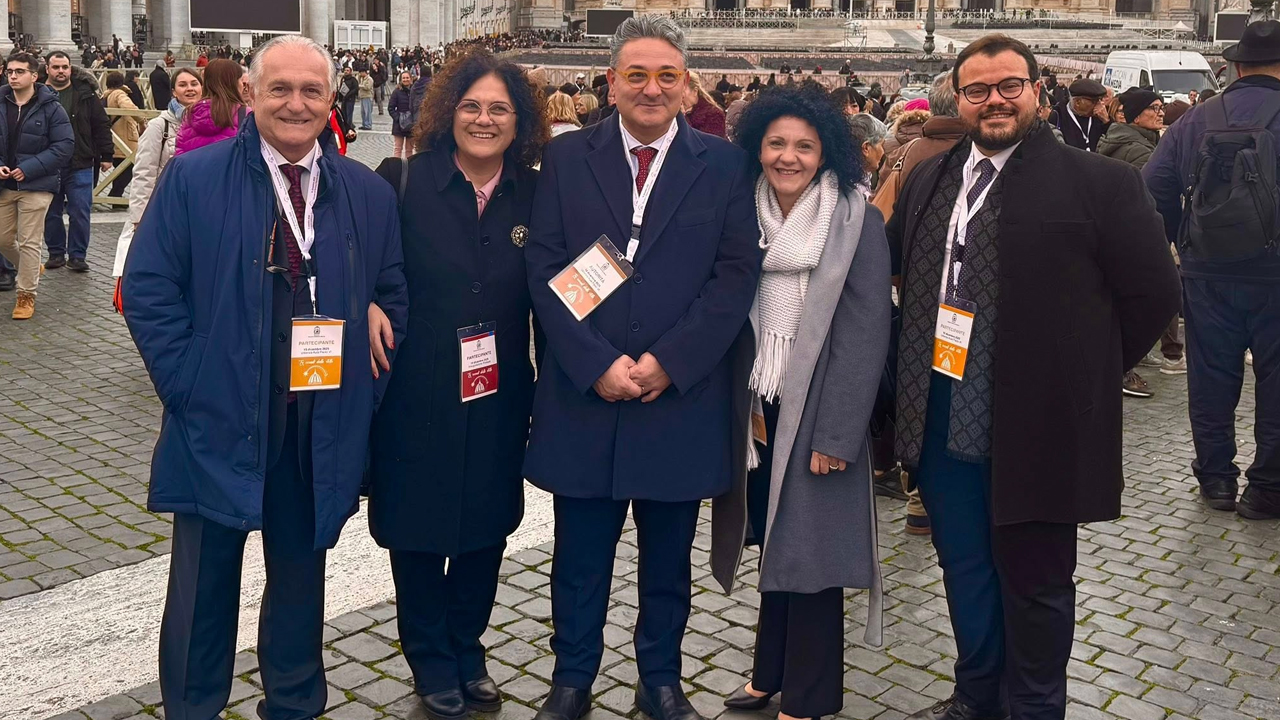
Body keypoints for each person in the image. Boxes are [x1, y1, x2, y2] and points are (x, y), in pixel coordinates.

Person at [886, 35, 1179, 720]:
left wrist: (1082, 374)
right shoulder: (930, 175)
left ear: (1037, 91)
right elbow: (892, 261)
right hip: (939, 404)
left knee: (1037, 579)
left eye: (1009, 86)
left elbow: (1153, 294)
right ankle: (976, 695)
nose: (994, 100)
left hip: (1039, 418)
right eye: (977, 89)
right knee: (964, 567)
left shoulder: (1099, 182)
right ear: (958, 97)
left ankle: (1034, 706)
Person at [120, 34, 408, 720]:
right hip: (219, 412)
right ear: (250, 93)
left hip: (318, 423)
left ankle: (295, 704)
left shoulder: (367, 192)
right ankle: (192, 707)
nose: (296, 104)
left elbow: (393, 291)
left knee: (301, 584)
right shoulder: (194, 178)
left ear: (331, 99)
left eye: (311, 90)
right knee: (203, 586)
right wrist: (188, 384)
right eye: (280, 88)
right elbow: (149, 287)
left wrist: (366, 343)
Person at [523, 15, 760, 720]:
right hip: (587, 393)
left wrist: (669, 361)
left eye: (666, 76)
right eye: (637, 75)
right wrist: (595, 362)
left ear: (687, 86)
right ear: (611, 83)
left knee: (668, 560)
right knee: (578, 558)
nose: (651, 88)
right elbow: (545, 266)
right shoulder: (568, 157)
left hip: (676, 397)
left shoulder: (725, 164)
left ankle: (660, 678)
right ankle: (572, 677)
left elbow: (733, 277)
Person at [366, 50, 548, 720]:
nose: (484, 119)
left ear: (519, 120)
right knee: (416, 527)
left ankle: (468, 648)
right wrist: (365, 301)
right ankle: (430, 658)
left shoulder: (537, 193)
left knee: (487, 524)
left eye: (499, 108)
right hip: (415, 389)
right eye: (472, 105)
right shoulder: (402, 180)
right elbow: (359, 258)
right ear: (449, 111)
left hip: (500, 390)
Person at [717, 82, 889, 720]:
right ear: (756, 148)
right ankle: (770, 671)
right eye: (776, 144)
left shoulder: (855, 220)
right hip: (761, 408)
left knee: (811, 552)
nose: (788, 157)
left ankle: (811, 696)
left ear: (826, 154)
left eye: (804, 147)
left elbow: (867, 332)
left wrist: (838, 434)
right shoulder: (744, 211)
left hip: (819, 412)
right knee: (776, 540)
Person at [1143, 20, 1280, 520]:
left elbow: (1152, 189)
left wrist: (1184, 239)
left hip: (1207, 272)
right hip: (1276, 274)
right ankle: (1268, 488)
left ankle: (1217, 478)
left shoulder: (1195, 120)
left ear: (1236, 67)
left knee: (1210, 377)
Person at [116, 66, 203, 305]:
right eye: (183, 85)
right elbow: (144, 173)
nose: (189, 89)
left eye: (194, 83)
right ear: (173, 91)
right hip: (166, 209)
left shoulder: (213, 121)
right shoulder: (159, 126)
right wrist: (138, 218)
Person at [0, 52, 73, 320]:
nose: (13, 76)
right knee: (3, 239)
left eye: (19, 71)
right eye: (10, 71)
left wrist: (29, 168)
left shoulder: (52, 107)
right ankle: (30, 267)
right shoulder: (1, 102)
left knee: (30, 241)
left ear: (34, 75)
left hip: (37, 183)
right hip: (5, 184)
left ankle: (26, 295)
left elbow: (64, 146)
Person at [42, 51, 113, 273]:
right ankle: (55, 253)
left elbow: (100, 124)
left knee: (80, 210)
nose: (61, 71)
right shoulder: (37, 93)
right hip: (47, 164)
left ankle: (77, 255)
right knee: (50, 212)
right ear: (47, 69)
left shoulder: (85, 93)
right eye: (56, 67)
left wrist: (107, 154)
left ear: (70, 69)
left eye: (65, 67)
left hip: (80, 160)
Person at [174, 59, 246, 156]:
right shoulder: (244, 114)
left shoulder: (190, 114)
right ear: (233, 84)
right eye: (241, 80)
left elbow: (180, 152)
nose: (243, 85)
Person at [103, 72, 146, 200]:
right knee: (130, 167)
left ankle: (116, 197)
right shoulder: (119, 94)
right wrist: (142, 121)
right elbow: (130, 108)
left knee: (120, 168)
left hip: (115, 137)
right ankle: (115, 195)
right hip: (125, 138)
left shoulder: (105, 95)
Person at [1054, 77, 1109, 152]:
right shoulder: (1057, 115)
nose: (1099, 105)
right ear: (1077, 102)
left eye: (1100, 100)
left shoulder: (1099, 116)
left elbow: (1112, 143)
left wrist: (1106, 121)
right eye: (1094, 101)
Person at [848, 113, 887, 197]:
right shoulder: (854, 191)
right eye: (881, 145)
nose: (883, 152)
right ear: (866, 148)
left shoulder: (856, 177)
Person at [682, 70, 726, 138]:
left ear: (695, 91)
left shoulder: (713, 115)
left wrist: (682, 118)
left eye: (682, 91)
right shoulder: (671, 112)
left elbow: (709, 142)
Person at [388, 71, 415, 158]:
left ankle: (408, 165)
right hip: (398, 125)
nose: (405, 80)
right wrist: (398, 118)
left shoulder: (414, 91)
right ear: (400, 79)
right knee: (398, 148)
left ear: (411, 79)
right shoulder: (396, 92)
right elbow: (391, 108)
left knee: (409, 149)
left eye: (407, 78)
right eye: (403, 78)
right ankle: (397, 165)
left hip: (411, 124)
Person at [337, 66, 359, 132]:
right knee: (343, 114)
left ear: (350, 72)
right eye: (345, 70)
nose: (346, 72)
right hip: (344, 99)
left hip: (350, 99)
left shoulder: (353, 79)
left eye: (347, 70)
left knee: (349, 114)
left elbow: (356, 89)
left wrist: (349, 94)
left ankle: (349, 127)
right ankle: (344, 126)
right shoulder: (343, 78)